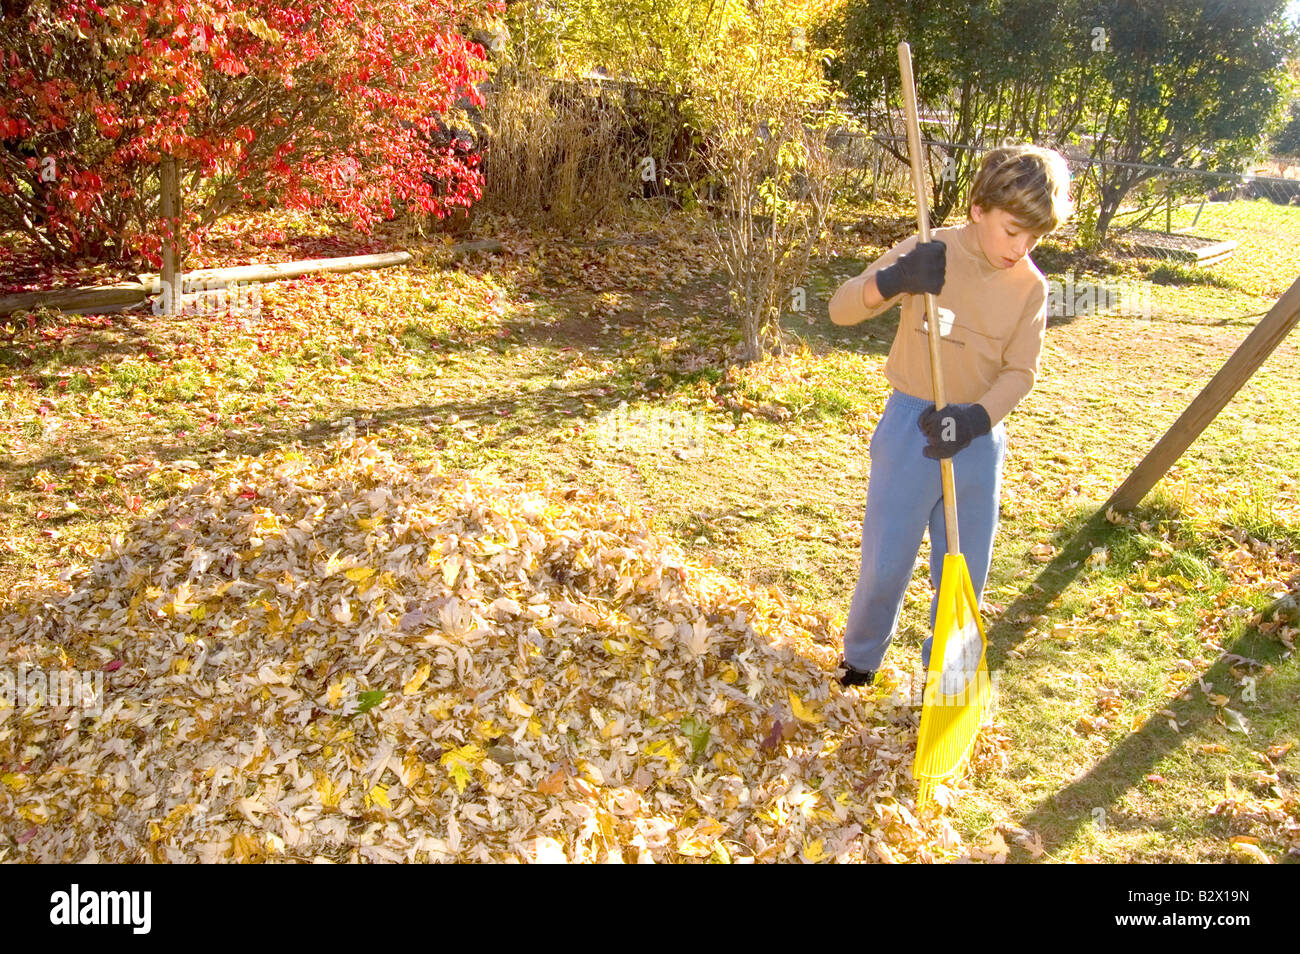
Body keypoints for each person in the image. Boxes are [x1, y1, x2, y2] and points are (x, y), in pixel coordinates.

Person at [826, 144, 1072, 688]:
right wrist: (894, 281)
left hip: (977, 440)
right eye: (1013, 231)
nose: (1022, 247)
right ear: (979, 208)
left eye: (1035, 237)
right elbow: (840, 309)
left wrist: (977, 419)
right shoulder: (927, 248)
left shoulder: (1031, 287)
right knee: (886, 559)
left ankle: (944, 680)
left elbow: (1020, 372)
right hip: (909, 426)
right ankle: (860, 661)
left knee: (961, 570)